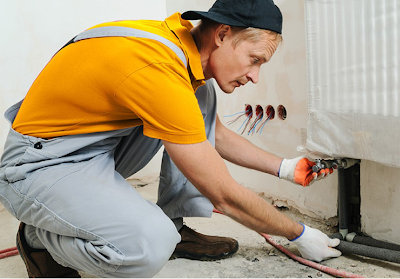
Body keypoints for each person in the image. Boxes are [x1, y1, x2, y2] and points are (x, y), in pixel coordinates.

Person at [0, 0, 340, 277]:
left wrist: (286, 168)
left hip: (92, 149)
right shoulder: (156, 68)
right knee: (146, 247)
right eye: (254, 60)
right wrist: (298, 232)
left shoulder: (180, 52)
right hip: (37, 166)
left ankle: (175, 224)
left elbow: (210, 134)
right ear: (223, 33)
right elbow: (224, 196)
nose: (254, 75)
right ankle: (38, 238)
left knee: (200, 96)